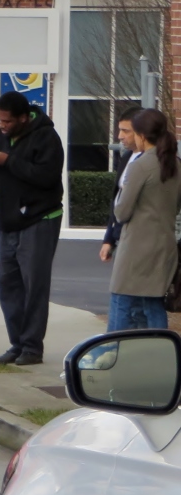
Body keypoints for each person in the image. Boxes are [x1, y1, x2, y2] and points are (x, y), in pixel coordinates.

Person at [0, 91, 65, 366]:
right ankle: (16, 343)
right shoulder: (2, 137)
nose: (2, 126)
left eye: (7, 121)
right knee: (9, 285)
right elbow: (0, 171)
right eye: (0, 120)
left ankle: (32, 347)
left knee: (34, 285)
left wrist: (9, 161)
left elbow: (46, 177)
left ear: (23, 117)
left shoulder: (46, 137)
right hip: (8, 219)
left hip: (40, 218)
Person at [109, 108, 181, 330]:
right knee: (153, 303)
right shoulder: (176, 163)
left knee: (121, 300)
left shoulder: (140, 165)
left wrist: (121, 191)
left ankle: (114, 351)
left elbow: (121, 212)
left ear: (141, 135)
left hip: (136, 246)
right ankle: (160, 352)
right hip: (164, 243)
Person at [102, 106, 147, 331]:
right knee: (124, 298)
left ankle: (118, 345)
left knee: (133, 301)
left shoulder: (151, 163)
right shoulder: (127, 157)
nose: (120, 136)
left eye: (125, 131)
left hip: (142, 239)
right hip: (123, 237)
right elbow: (116, 199)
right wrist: (109, 238)